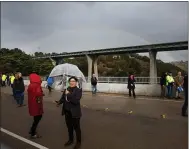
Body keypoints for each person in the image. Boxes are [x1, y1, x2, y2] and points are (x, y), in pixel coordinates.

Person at [56, 76, 82, 149]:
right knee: (69, 127)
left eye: (73, 81)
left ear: (76, 82)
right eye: (70, 81)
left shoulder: (78, 90)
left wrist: (68, 94)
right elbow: (63, 98)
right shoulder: (67, 89)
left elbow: (76, 101)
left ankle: (78, 142)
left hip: (75, 113)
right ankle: (70, 140)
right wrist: (59, 102)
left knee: (77, 128)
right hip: (67, 112)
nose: (72, 82)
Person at [27, 72, 44, 138]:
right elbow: (38, 94)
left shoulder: (31, 85)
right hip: (37, 104)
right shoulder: (37, 85)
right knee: (38, 117)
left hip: (32, 104)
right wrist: (41, 94)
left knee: (35, 117)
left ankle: (32, 130)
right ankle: (33, 133)